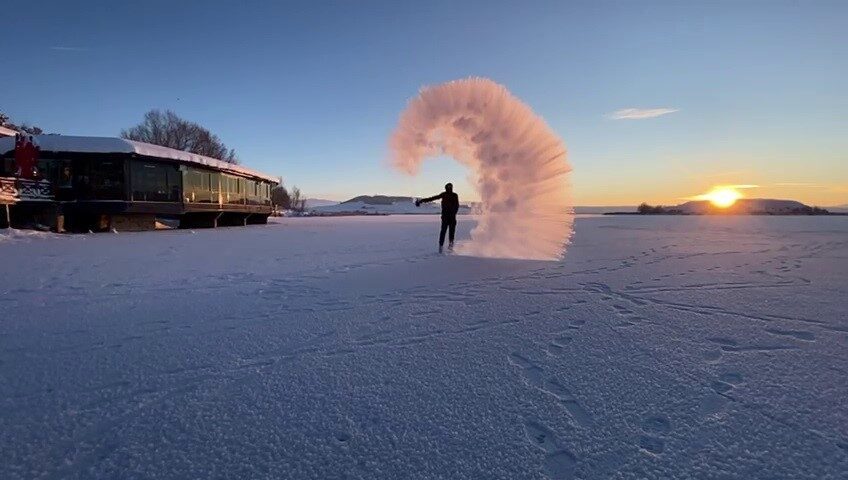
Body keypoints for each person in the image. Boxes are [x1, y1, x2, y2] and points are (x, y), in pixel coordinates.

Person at [415, 182, 460, 253]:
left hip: (450, 217)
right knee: (444, 232)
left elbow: (456, 206)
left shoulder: (453, 195)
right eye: (448, 187)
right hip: (447, 217)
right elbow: (433, 198)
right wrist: (422, 201)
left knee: (450, 233)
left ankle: (448, 248)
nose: (449, 188)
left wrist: (453, 213)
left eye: (449, 187)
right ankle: (442, 248)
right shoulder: (445, 194)